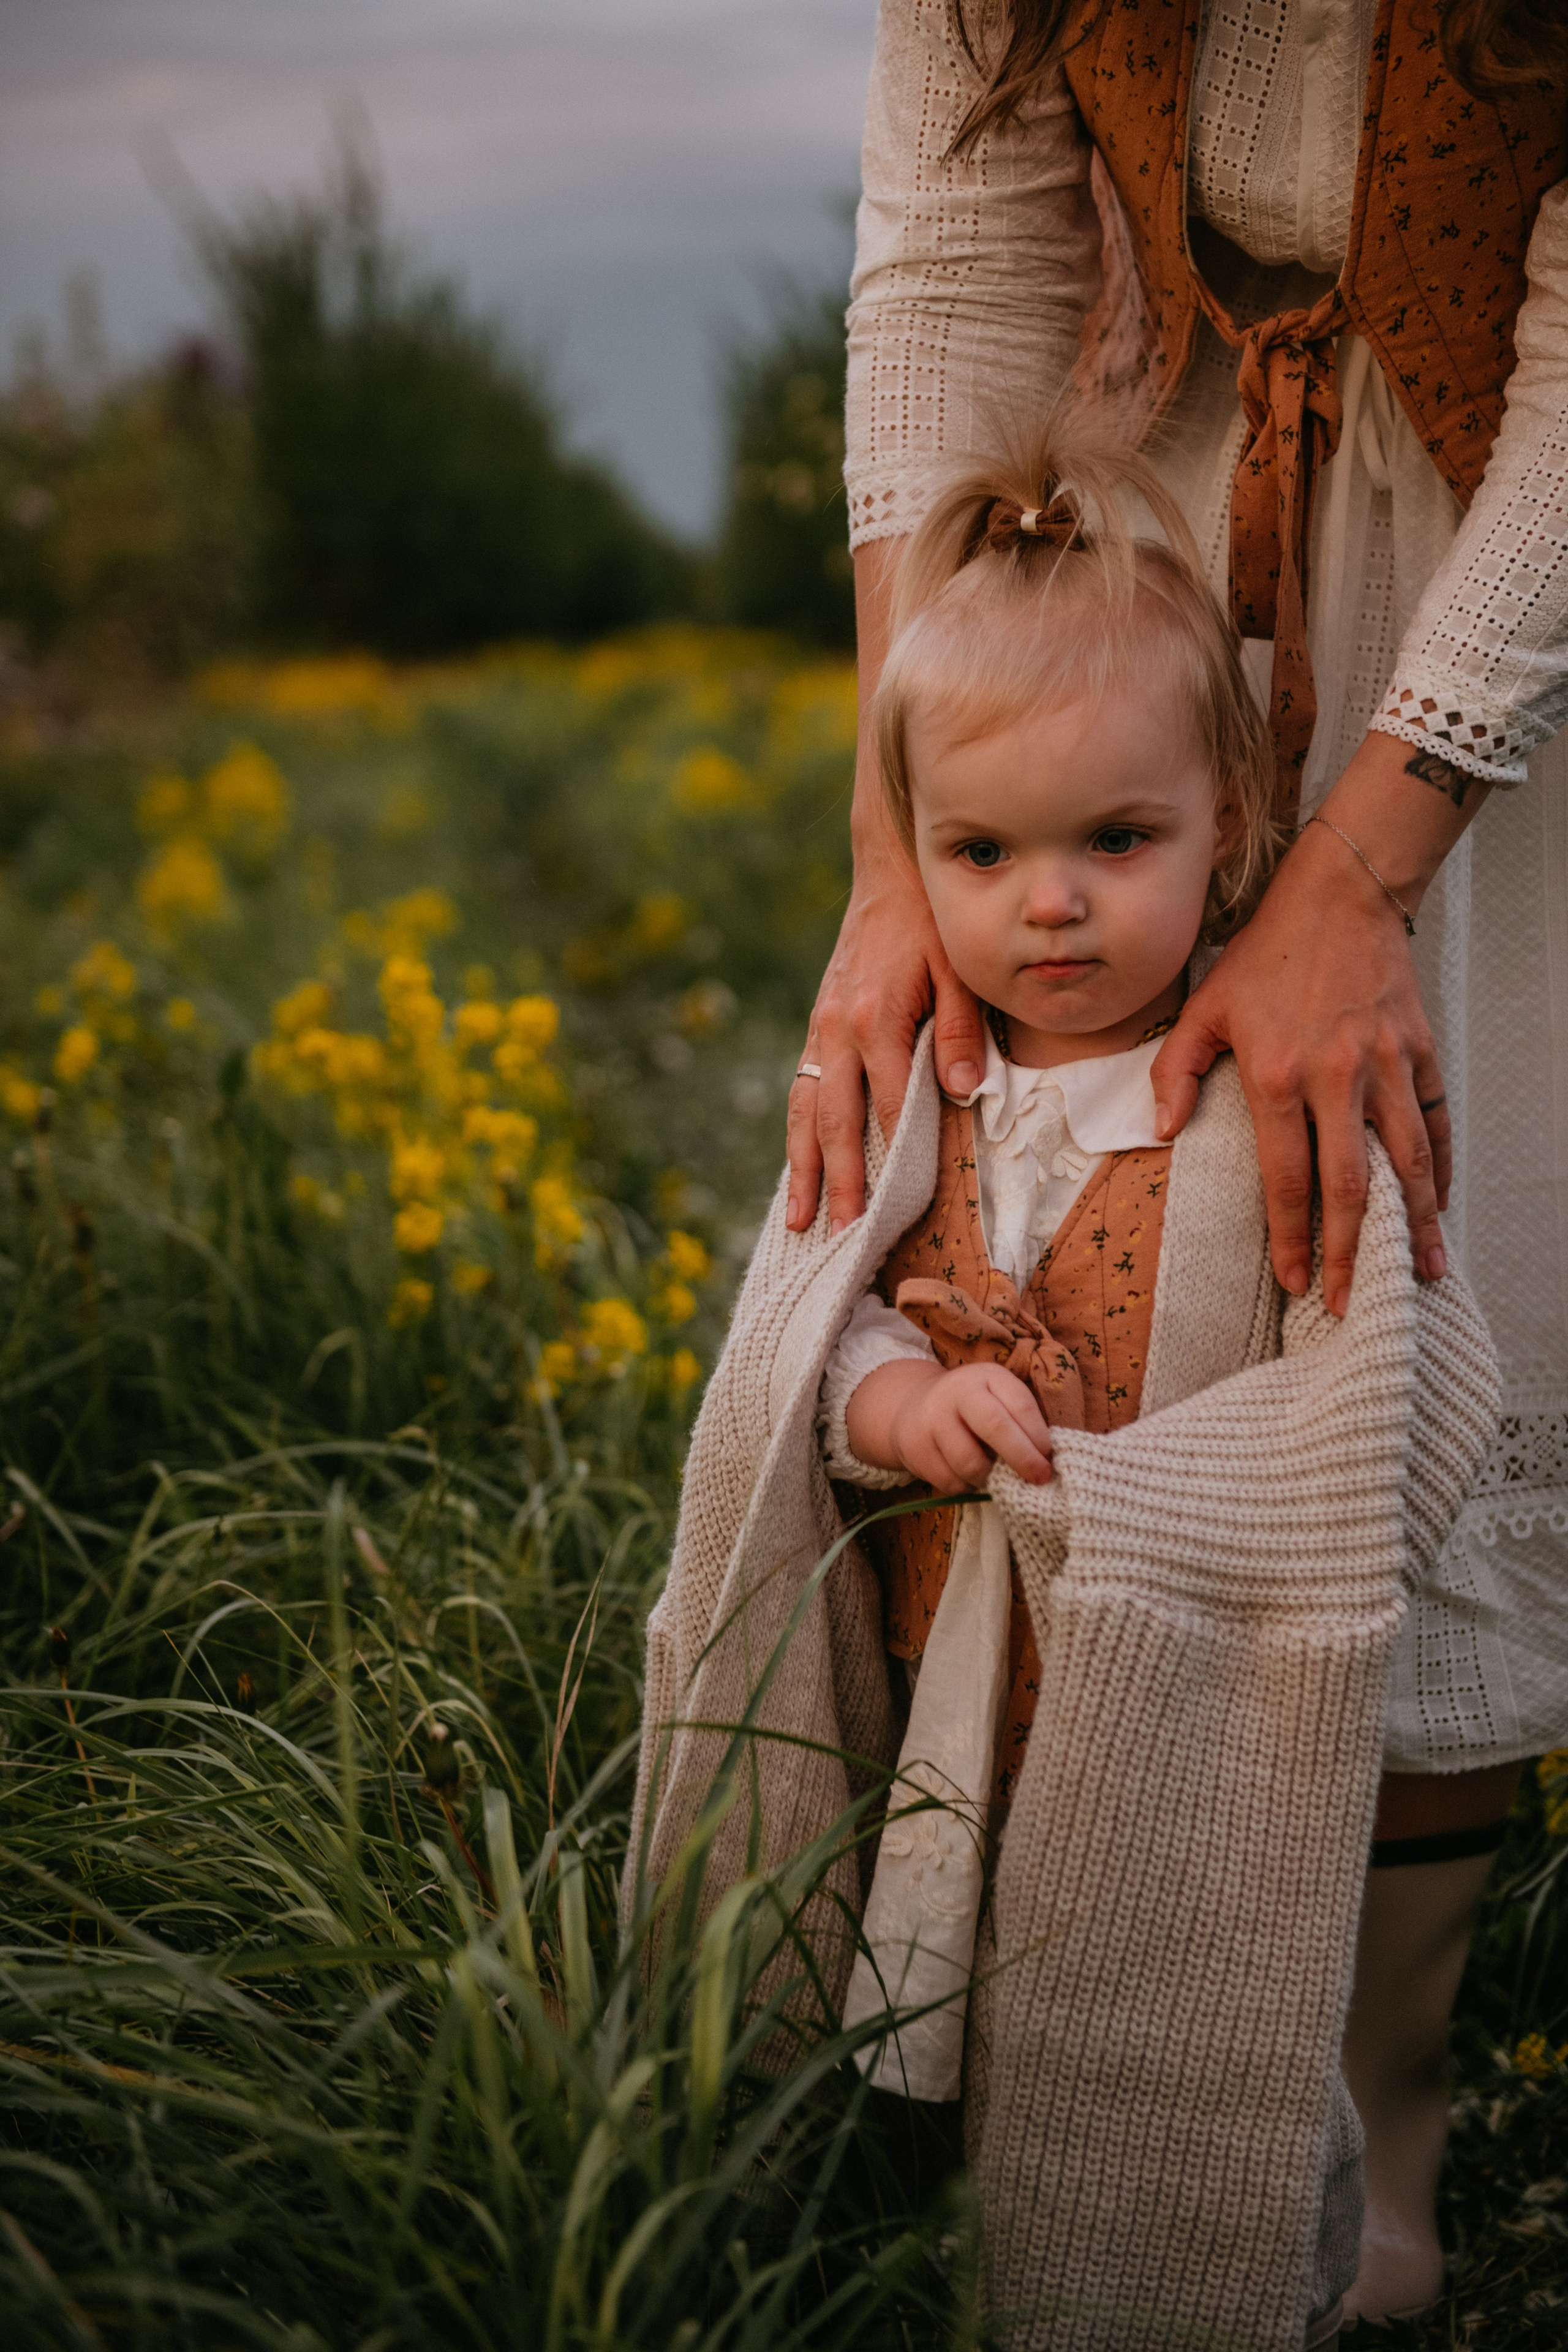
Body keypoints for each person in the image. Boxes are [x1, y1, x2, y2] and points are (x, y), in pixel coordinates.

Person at [786, 1, 1568, 2320]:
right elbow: (949, 270)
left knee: (1413, 1309)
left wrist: (1364, 848)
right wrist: (894, 845)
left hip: (1506, 564)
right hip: (1144, 583)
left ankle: (1390, 2182)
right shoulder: (1060, 816)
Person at [629, 420, 1501, 2351]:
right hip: (944, 1647)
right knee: (934, 1940)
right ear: (908, 859)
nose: (1051, 907)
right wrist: (889, 1411)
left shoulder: (1257, 1103)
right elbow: (805, 1336)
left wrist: (1166, 1503)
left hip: (1163, 1682)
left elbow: (1405, 1395)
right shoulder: (926, 1096)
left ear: (1232, 832)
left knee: (1150, 1985)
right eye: (984, 853)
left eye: (1119, 842)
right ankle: (912, 2240)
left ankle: (1197, 2252)